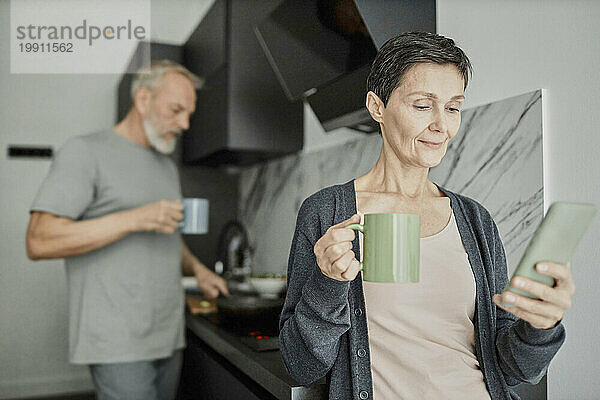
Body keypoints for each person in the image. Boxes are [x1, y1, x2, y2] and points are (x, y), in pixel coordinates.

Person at [279, 32, 574, 400]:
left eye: (452, 107)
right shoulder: (328, 213)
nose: (441, 125)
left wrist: (541, 326)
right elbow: (300, 366)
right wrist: (327, 284)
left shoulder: (475, 220)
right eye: (422, 105)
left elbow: (512, 371)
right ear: (377, 107)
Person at [26, 60, 229, 400]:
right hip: (116, 341)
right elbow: (40, 239)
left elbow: (168, 236)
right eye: (177, 110)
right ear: (143, 100)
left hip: (168, 334)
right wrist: (134, 218)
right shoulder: (84, 151)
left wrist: (198, 270)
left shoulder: (166, 165)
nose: (184, 124)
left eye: (189, 114)